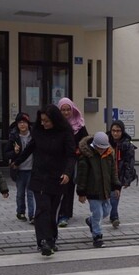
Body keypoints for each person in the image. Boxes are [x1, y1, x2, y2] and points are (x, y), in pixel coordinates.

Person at [13, 104, 76, 256]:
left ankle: (51, 239)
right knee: (42, 209)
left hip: (58, 177)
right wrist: (17, 161)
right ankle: (43, 241)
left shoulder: (65, 133)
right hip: (39, 176)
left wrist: (68, 173)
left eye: (47, 121)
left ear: (55, 120)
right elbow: (29, 148)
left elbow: (71, 155)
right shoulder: (38, 132)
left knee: (52, 211)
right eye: (41, 120)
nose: (43, 123)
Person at [76, 131, 121, 248]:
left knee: (106, 211)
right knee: (98, 213)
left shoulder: (109, 154)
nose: (101, 150)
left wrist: (116, 186)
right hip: (92, 191)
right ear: (94, 146)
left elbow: (113, 172)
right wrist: (81, 192)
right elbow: (82, 176)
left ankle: (91, 221)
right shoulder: (86, 157)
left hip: (106, 190)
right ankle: (97, 236)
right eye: (99, 148)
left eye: (103, 148)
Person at [56, 97, 89, 229]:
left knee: (68, 187)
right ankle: (56, 212)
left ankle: (65, 214)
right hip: (58, 159)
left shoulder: (79, 124)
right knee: (57, 186)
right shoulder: (56, 124)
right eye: (63, 110)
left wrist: (78, 149)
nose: (65, 113)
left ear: (72, 109)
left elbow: (86, 141)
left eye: (68, 110)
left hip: (73, 160)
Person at [106, 120, 137, 228]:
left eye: (118, 131)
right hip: (105, 172)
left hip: (119, 173)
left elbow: (130, 163)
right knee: (106, 196)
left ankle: (114, 216)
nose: (115, 133)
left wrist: (127, 179)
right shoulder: (105, 141)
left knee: (115, 194)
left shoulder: (127, 144)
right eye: (113, 130)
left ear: (122, 131)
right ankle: (108, 213)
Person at [6, 112, 35, 223]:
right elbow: (6, 154)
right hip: (19, 170)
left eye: (24, 122)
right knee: (20, 193)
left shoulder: (34, 135)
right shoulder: (13, 137)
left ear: (28, 124)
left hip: (32, 168)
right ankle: (20, 212)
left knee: (31, 193)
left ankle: (32, 215)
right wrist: (15, 152)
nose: (22, 125)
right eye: (20, 123)